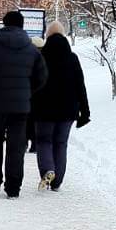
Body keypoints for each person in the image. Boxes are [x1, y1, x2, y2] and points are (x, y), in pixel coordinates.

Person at [0, 10, 48, 198]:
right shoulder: (31, 49)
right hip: (20, 107)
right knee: (16, 145)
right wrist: (27, 91)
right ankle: (13, 187)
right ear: (22, 25)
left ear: (4, 24)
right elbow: (42, 76)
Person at [30, 21, 90, 192]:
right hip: (68, 110)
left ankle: (48, 170)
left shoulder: (40, 57)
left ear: (47, 36)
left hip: (43, 110)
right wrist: (85, 111)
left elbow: (32, 84)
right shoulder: (72, 58)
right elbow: (80, 85)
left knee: (44, 141)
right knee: (61, 143)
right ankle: (57, 182)